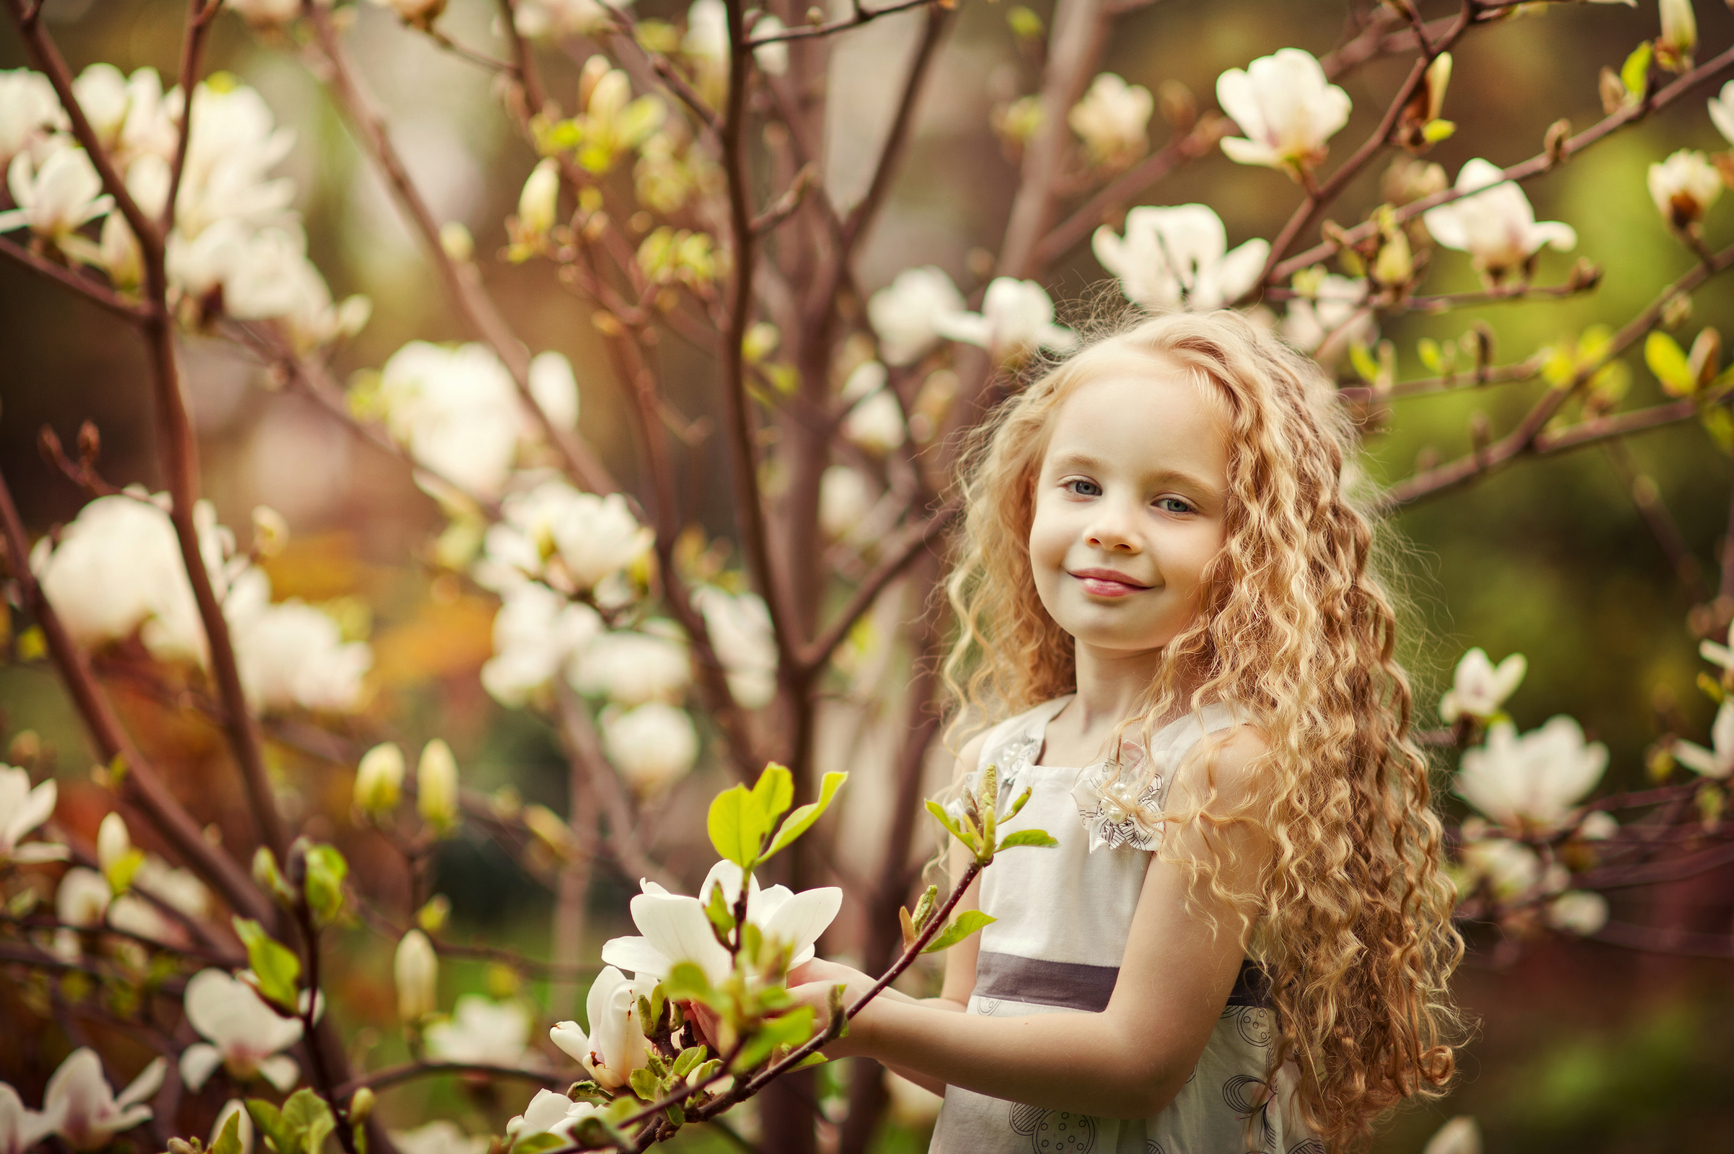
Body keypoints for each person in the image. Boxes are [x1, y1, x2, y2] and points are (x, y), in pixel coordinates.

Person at [785, 310, 1464, 1153]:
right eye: (1081, 486)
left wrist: (868, 1019)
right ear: (1027, 500)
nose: (1110, 526)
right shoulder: (996, 764)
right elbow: (969, 1038)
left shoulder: (1220, 767)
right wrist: (817, 1007)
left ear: (1252, 551)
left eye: (1173, 502)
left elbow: (1139, 1063)